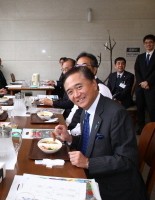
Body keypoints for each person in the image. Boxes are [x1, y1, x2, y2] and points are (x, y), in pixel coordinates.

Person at [55, 66, 148, 200]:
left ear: (94, 84)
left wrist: (88, 163)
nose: (76, 95)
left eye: (79, 87)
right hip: (93, 176)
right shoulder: (87, 109)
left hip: (115, 187)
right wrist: (70, 138)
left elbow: (127, 160)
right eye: (70, 92)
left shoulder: (116, 113)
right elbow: (92, 141)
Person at [135, 34, 155, 135]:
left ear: (154, 43)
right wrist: (142, 82)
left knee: (152, 109)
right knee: (140, 108)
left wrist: (148, 82)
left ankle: (153, 129)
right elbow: (137, 71)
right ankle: (141, 127)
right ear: (144, 44)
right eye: (146, 42)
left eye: (150, 42)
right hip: (141, 87)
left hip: (152, 87)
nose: (148, 44)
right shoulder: (140, 57)